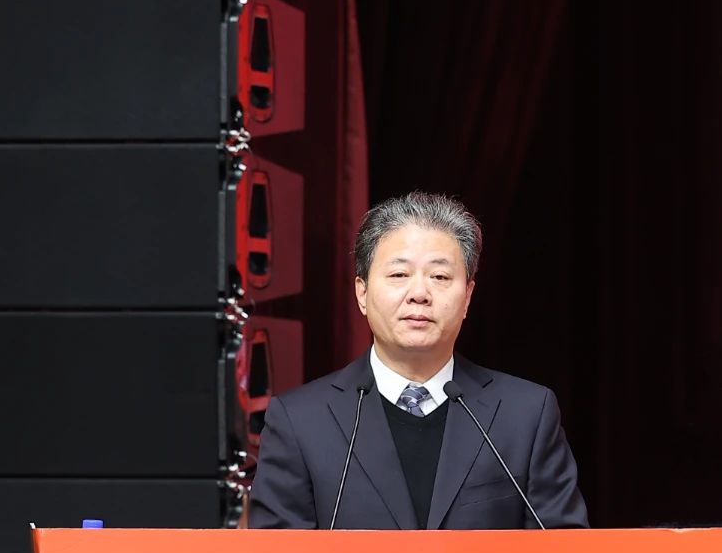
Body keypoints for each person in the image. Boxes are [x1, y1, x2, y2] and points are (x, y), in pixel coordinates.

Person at [248, 191, 587, 530]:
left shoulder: (526, 415)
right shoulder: (300, 422)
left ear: (467, 296)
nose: (420, 294)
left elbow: (565, 552)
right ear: (362, 293)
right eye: (399, 275)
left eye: (440, 277)